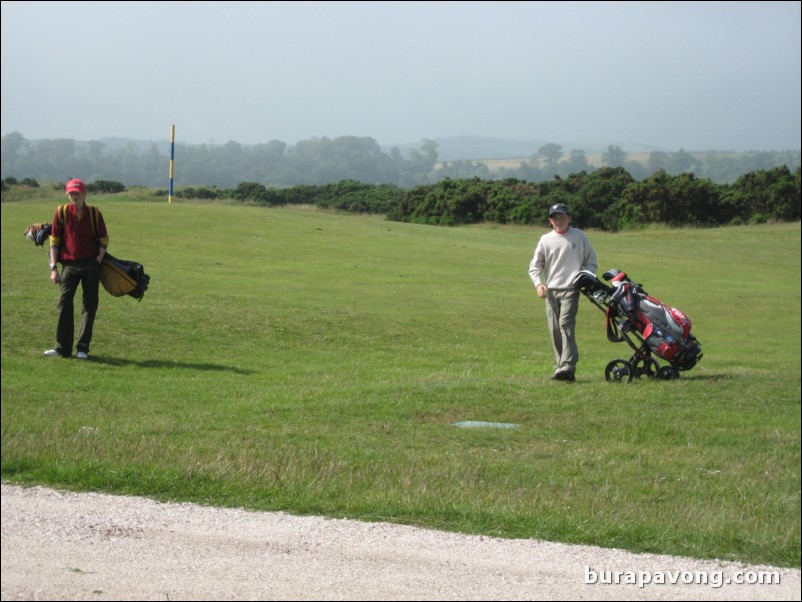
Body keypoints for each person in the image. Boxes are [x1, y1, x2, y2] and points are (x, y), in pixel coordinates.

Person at [528, 202, 597, 382]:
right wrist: (538, 284)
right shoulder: (545, 239)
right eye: (555, 218)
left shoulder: (579, 236)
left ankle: (568, 366)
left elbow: (591, 261)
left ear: (569, 218)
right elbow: (535, 266)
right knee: (554, 328)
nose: (559, 220)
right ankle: (560, 367)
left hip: (571, 289)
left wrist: (586, 278)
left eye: (562, 217)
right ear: (550, 221)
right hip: (551, 291)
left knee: (566, 324)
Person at [44, 179, 109, 359]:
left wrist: (97, 260)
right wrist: (53, 267)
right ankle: (62, 348)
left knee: (89, 306)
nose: (74, 196)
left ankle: (82, 349)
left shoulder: (95, 214)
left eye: (77, 193)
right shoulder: (61, 212)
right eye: (71, 193)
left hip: (90, 264)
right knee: (64, 304)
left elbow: (104, 239)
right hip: (69, 266)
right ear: (67, 194)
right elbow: (54, 241)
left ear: (84, 194)